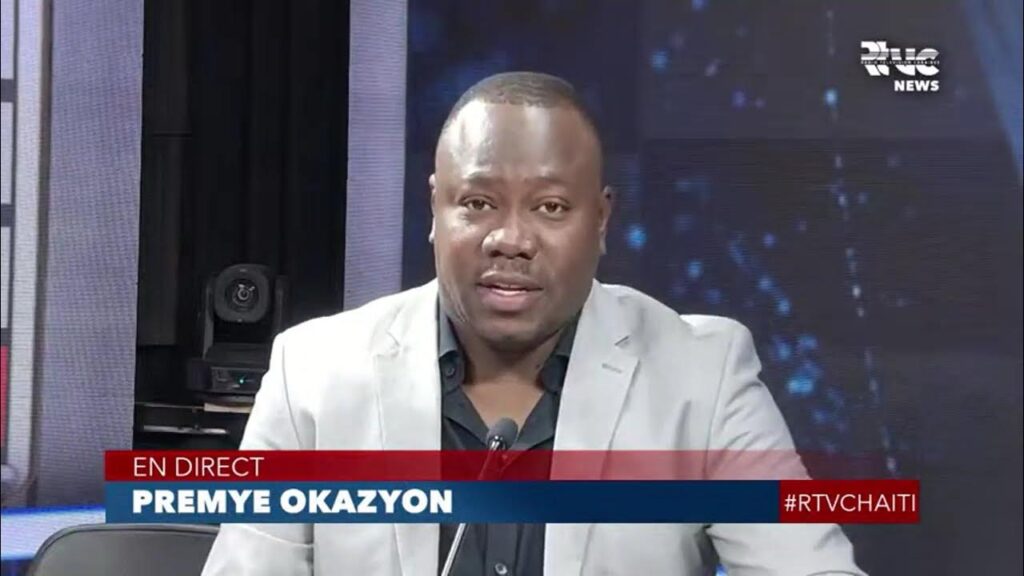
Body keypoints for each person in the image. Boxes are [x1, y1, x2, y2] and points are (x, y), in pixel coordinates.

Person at [203, 72, 865, 575]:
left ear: (600, 220)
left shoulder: (701, 375)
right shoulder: (312, 375)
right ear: (434, 209)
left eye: (550, 207)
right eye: (477, 203)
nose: (511, 240)